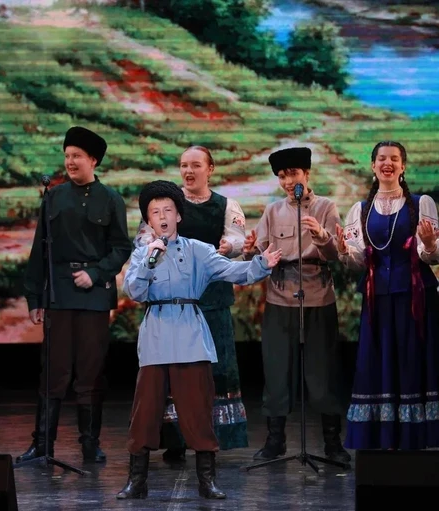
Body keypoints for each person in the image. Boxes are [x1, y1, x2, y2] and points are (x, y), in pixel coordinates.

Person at [117, 180, 281, 500]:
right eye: (155, 212)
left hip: (191, 334)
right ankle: (137, 481)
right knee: (145, 412)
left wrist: (262, 264)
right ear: (148, 221)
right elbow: (134, 291)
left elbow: (234, 272)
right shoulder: (142, 254)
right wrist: (150, 260)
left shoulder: (198, 250)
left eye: (168, 210)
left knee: (198, 410)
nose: (162, 217)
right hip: (156, 337)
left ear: (178, 215)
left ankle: (207, 480)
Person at [18, 126, 131, 464]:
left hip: (94, 294)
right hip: (59, 292)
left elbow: (121, 247)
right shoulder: (53, 197)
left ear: (93, 160)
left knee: (90, 371)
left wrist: (95, 273)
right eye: (67, 156)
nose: (70, 162)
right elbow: (40, 250)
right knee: (53, 371)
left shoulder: (110, 199)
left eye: (77, 156)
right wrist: (34, 297)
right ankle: (42, 444)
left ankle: (89, 444)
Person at [134, 146, 248, 461]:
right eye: (184, 165)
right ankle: (175, 440)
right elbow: (143, 240)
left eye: (196, 165)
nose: (188, 171)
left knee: (215, 371)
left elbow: (238, 238)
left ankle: (210, 442)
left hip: (212, 301)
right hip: (173, 304)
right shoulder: (167, 206)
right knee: (174, 372)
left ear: (210, 169)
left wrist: (230, 246)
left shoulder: (226, 205)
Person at [243, 147, 351, 463]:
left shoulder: (326, 207)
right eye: (282, 176)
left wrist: (321, 236)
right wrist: (250, 251)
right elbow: (261, 255)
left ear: (307, 174)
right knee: (277, 370)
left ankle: (332, 442)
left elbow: (336, 255)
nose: (288, 181)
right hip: (280, 297)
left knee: (323, 370)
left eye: (293, 174)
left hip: (318, 296)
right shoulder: (273, 211)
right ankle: (275, 441)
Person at [336, 141, 439, 450]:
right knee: (378, 363)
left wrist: (429, 244)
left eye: (394, 159)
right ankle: (380, 435)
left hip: (415, 297)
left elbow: (435, 257)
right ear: (373, 166)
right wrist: (343, 252)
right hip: (378, 299)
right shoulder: (360, 210)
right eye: (382, 159)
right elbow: (358, 260)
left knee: (412, 361)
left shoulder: (422, 204)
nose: (388, 163)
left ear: (403, 166)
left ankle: (415, 435)